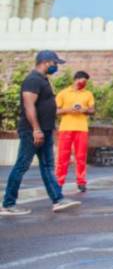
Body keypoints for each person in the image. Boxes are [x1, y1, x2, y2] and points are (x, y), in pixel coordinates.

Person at [1, 51, 82, 216]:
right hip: (32, 131)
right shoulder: (33, 80)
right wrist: (36, 129)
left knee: (47, 166)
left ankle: (58, 200)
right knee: (22, 165)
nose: (56, 66)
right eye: (55, 63)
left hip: (44, 130)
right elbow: (29, 105)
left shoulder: (43, 80)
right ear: (45, 62)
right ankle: (8, 204)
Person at [55, 71, 95, 192]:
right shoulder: (63, 93)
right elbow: (56, 111)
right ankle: (59, 181)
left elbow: (92, 111)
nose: (83, 83)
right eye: (82, 81)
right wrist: (68, 109)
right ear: (76, 79)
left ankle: (81, 182)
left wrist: (85, 110)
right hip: (66, 128)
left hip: (82, 128)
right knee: (63, 156)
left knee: (81, 157)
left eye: (85, 82)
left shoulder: (88, 94)